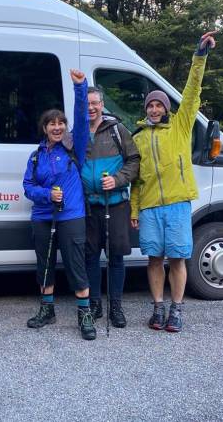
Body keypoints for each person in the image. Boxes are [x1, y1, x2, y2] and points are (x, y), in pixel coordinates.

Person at [130, 30, 218, 333]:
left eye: (159, 105)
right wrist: (134, 211)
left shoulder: (180, 126)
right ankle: (158, 308)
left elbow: (192, 92)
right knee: (154, 259)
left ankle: (177, 309)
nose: (154, 109)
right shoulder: (138, 137)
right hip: (150, 207)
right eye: (150, 106)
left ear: (166, 109)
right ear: (146, 110)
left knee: (178, 260)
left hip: (178, 204)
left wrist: (200, 56)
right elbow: (137, 181)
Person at [22, 70, 96, 340]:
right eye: (52, 124)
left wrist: (80, 87)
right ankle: (47, 310)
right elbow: (28, 187)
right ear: (44, 129)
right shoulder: (35, 156)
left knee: (76, 264)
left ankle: (85, 315)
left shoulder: (73, 147)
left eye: (60, 123)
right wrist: (46, 195)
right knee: (45, 265)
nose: (57, 127)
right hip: (43, 216)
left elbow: (82, 117)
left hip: (71, 216)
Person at [79, 81, 140, 328]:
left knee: (115, 257)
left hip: (115, 205)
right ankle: (95, 304)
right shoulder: (78, 133)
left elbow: (134, 161)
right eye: (87, 104)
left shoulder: (117, 130)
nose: (91, 108)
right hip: (89, 206)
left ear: (102, 105)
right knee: (91, 257)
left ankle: (116, 305)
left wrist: (117, 180)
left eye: (95, 103)